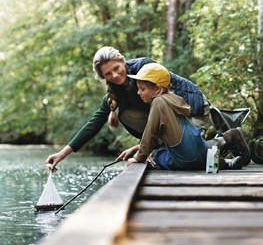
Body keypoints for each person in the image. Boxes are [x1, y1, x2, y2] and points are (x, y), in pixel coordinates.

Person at [45, 46, 249, 171]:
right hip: (169, 120)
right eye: (108, 74)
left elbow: (166, 105)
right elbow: (93, 124)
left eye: (116, 68)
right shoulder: (114, 95)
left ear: (122, 61)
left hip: (191, 107)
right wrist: (61, 154)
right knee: (127, 115)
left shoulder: (144, 67)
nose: (115, 75)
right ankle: (221, 147)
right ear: (104, 77)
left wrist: (143, 150)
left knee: (189, 156)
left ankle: (226, 139)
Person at [115, 63, 249, 170]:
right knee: (193, 154)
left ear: (157, 89)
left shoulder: (158, 102)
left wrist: (139, 157)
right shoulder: (173, 99)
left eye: (142, 89)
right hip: (201, 151)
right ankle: (226, 161)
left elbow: (151, 132)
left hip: (185, 160)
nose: (138, 93)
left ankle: (224, 160)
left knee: (158, 156)